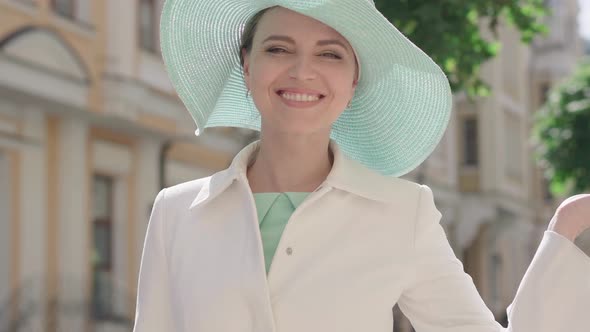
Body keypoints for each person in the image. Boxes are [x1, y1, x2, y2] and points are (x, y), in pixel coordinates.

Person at [133, 1, 590, 331]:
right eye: (278, 49)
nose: (301, 71)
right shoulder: (176, 211)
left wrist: (566, 228)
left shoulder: (403, 212)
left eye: (329, 54)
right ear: (246, 64)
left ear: (353, 80)